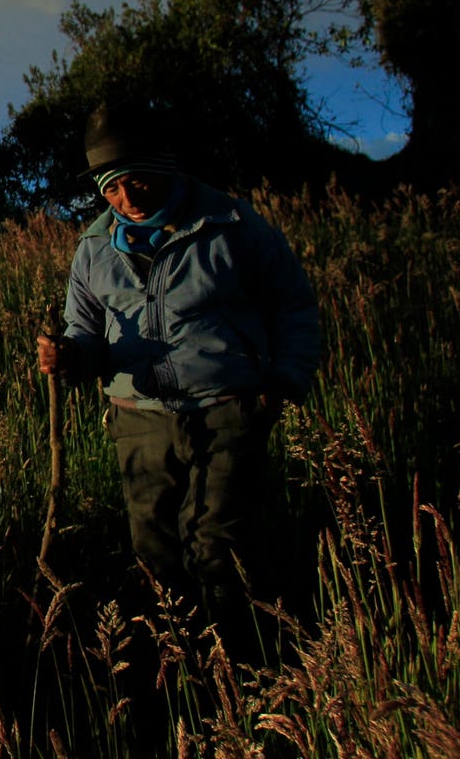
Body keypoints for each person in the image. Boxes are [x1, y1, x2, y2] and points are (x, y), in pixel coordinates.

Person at [36, 102, 319, 622]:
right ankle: (186, 669)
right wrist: (70, 356)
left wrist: (284, 382)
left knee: (216, 548)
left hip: (229, 410)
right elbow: (88, 333)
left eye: (138, 181)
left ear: (165, 165)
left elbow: (293, 305)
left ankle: (241, 667)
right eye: (112, 189)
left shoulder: (231, 225)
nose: (127, 199)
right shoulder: (94, 248)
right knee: (157, 555)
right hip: (138, 420)